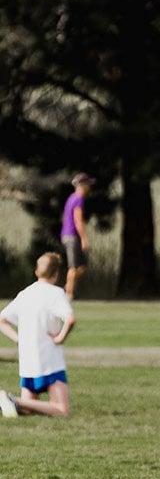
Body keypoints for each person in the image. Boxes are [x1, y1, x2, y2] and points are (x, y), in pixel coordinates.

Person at [0, 252, 76, 418]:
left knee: (28, 411)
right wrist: (60, 338)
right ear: (56, 273)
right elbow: (70, 320)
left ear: (36, 272)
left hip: (28, 362)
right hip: (49, 361)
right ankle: (13, 400)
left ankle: (15, 402)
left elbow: (2, 320)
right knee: (62, 410)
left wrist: (18, 339)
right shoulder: (56, 293)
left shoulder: (25, 294)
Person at [61, 172, 93, 300]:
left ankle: (66, 288)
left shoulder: (71, 198)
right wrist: (84, 239)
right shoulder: (78, 199)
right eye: (88, 185)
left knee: (82, 267)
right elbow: (78, 220)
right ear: (83, 185)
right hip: (72, 236)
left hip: (67, 235)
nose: (90, 188)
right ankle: (68, 294)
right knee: (73, 267)